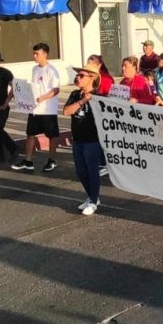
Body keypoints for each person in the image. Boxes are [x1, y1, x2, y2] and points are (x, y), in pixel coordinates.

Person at [11, 43, 60, 172]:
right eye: (34, 53)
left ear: (45, 54)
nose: (34, 56)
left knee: (52, 136)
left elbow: (56, 89)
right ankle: (28, 161)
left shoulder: (52, 70)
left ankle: (52, 160)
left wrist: (43, 97)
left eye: (37, 53)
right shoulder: (34, 69)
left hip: (48, 110)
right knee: (30, 134)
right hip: (34, 109)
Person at [63, 63, 104, 216]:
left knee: (92, 170)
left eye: (81, 75)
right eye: (77, 75)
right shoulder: (75, 94)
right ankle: (92, 196)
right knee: (80, 171)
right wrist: (82, 101)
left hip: (92, 140)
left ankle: (93, 200)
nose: (78, 78)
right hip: (78, 138)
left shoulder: (99, 97)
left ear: (91, 78)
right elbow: (66, 111)